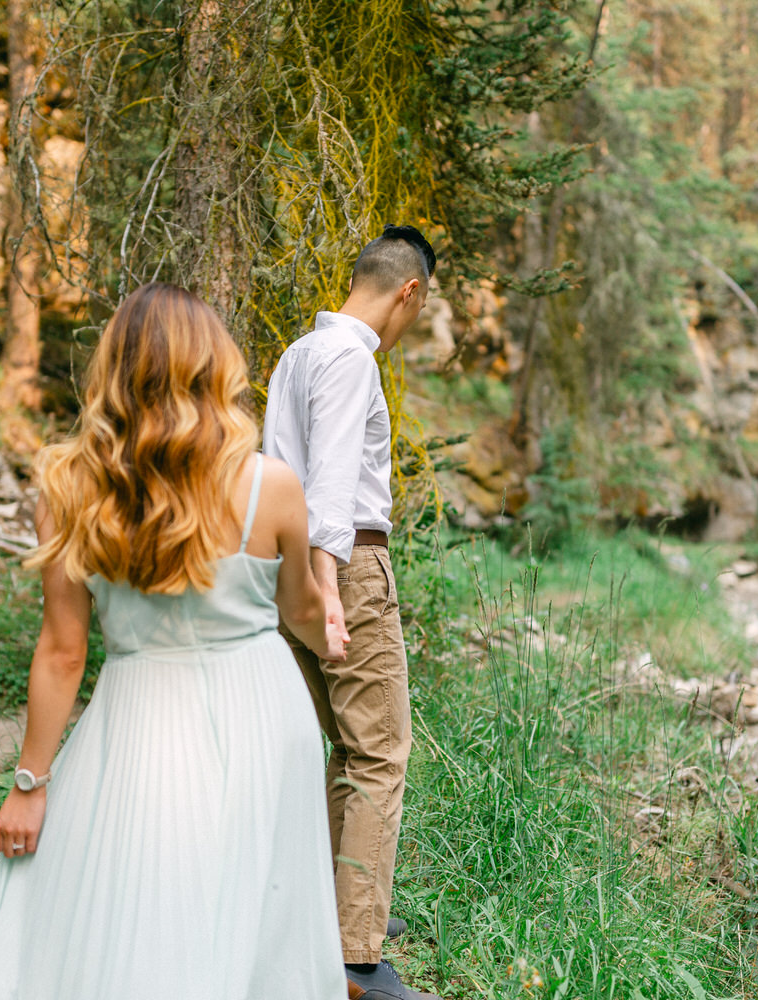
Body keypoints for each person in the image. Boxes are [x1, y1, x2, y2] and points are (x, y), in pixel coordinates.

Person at [0, 283, 349, 999]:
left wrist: (30, 783)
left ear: (112, 370)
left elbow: (62, 651)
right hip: (263, 709)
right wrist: (328, 619)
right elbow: (301, 613)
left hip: (141, 710)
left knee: (140, 894)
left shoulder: (68, 486)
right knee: (254, 905)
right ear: (215, 368)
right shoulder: (274, 486)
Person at [263, 225, 441, 1000]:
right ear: (408, 291)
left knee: (327, 742)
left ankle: (338, 907)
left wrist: (297, 581)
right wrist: (331, 585)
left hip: (283, 565)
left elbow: (280, 467)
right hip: (346, 566)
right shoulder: (350, 360)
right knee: (379, 750)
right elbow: (331, 483)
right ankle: (354, 957)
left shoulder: (299, 353)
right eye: (421, 308)